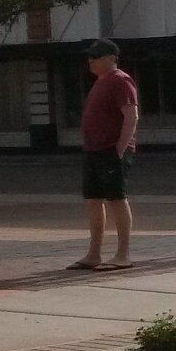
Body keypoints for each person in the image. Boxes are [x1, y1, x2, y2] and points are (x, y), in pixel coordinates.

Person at [71, 38, 138, 271]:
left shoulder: (120, 80)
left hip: (111, 149)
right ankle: (94, 253)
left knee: (117, 199)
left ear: (111, 58)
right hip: (93, 149)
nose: (91, 61)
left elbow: (131, 117)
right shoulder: (100, 82)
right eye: (89, 56)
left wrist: (120, 148)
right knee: (93, 199)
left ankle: (123, 254)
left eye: (96, 56)